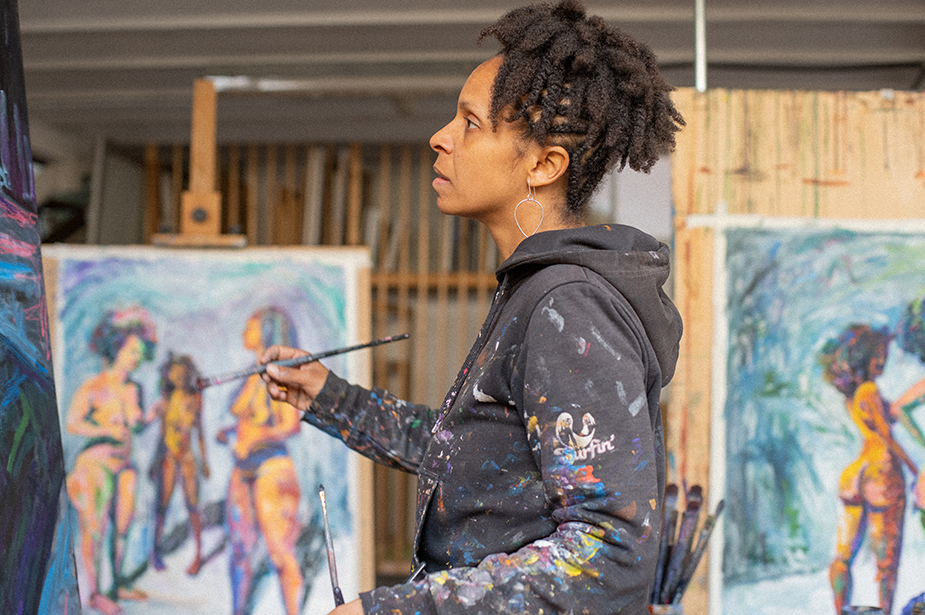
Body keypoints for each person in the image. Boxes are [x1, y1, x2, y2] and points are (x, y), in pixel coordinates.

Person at [262, 2, 684, 613]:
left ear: (544, 165)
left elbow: (610, 549)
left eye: (470, 123)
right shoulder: (532, 293)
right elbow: (476, 460)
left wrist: (397, 609)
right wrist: (331, 398)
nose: (441, 137)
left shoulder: (567, 306)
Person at [819, 324, 919, 615]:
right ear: (865, 355)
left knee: (843, 555)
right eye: (878, 354)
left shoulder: (854, 395)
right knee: (886, 562)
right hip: (881, 471)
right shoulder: (871, 389)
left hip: (855, 473)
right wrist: (914, 469)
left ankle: (840, 610)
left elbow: (884, 419)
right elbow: (887, 436)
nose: (883, 361)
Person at [65, 307, 158, 615]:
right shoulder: (94, 385)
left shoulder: (135, 389)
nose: (136, 357)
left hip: (124, 464)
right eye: (132, 350)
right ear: (116, 348)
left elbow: (138, 425)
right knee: (94, 528)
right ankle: (93, 593)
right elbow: (73, 423)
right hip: (95, 464)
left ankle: (115, 584)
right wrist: (106, 428)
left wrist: (150, 417)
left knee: (123, 525)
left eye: (140, 352)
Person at [217, 307, 304, 615]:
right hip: (243, 469)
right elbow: (251, 420)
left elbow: (290, 424)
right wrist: (233, 432)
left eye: (251, 327)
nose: (244, 332)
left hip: (271, 468)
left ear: (265, 333)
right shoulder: (253, 375)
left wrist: (254, 438)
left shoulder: (279, 375)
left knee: (279, 553)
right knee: (239, 549)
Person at [149, 353, 210, 576]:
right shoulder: (167, 397)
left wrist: (204, 461)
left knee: (193, 505)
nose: (179, 376)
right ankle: (154, 552)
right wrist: (155, 461)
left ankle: (198, 553)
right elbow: (161, 432)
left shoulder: (195, 399)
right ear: (169, 375)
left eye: (183, 373)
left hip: (187, 457)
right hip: (167, 456)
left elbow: (200, 431)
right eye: (174, 373)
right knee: (161, 505)